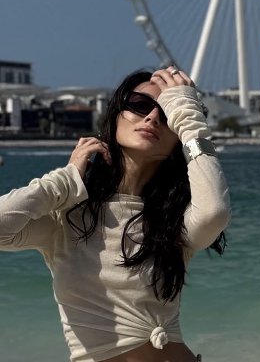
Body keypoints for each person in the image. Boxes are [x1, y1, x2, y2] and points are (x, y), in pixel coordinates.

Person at [0, 66, 231, 362]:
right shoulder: (67, 215)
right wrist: (66, 180)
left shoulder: (174, 221)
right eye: (139, 105)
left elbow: (214, 212)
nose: (152, 117)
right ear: (115, 115)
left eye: (167, 113)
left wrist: (188, 117)